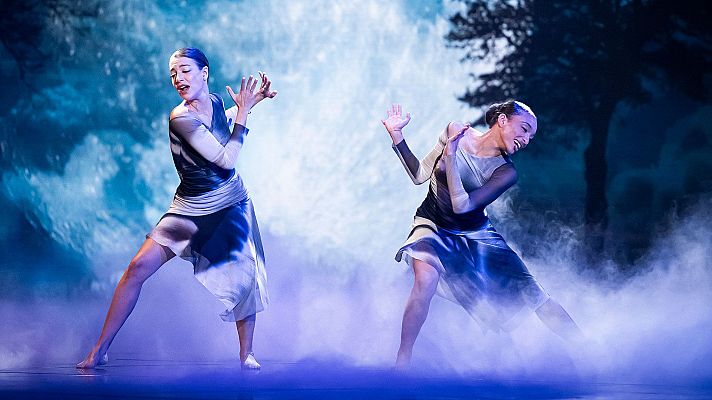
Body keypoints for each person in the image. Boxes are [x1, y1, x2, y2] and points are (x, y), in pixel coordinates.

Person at [77, 48, 277, 370]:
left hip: (230, 203)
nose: (178, 79)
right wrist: (242, 114)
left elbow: (223, 128)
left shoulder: (212, 102)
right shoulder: (180, 117)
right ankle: (99, 349)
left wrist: (249, 106)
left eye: (184, 71)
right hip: (190, 207)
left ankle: (246, 354)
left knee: (246, 276)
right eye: (173, 74)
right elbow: (226, 158)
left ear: (204, 73)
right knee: (137, 268)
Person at [381, 101, 583, 368]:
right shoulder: (455, 131)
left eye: (530, 137)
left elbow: (462, 206)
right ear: (502, 120)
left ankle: (587, 349)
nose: (526, 140)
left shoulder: (506, 171)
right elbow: (419, 175)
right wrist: (397, 136)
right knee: (425, 279)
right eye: (523, 130)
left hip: (476, 235)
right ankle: (402, 364)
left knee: (532, 292)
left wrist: (451, 158)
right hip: (432, 224)